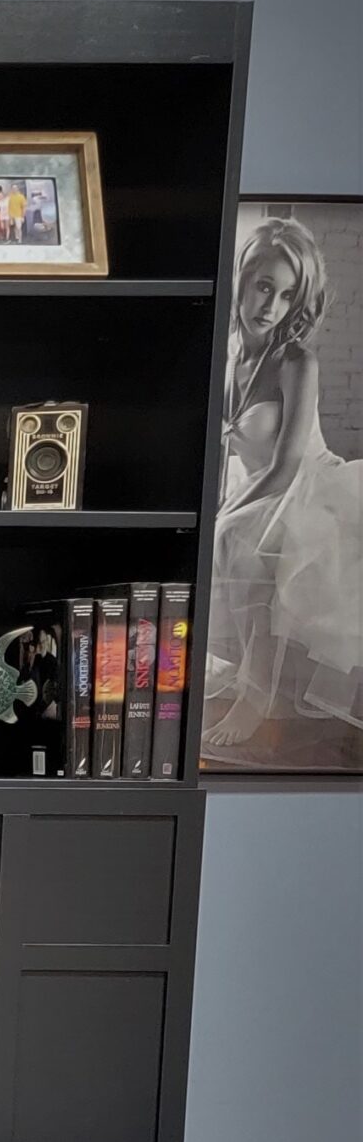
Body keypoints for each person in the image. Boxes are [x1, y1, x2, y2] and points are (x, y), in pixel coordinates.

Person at [203, 213, 363, 759]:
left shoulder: (297, 361)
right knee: (228, 533)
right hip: (258, 486)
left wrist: (227, 515)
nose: (271, 306)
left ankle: (255, 697)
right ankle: (235, 675)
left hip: (307, 485)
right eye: (264, 286)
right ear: (243, 279)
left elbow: (289, 465)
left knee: (241, 539)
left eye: (288, 294)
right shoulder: (224, 354)